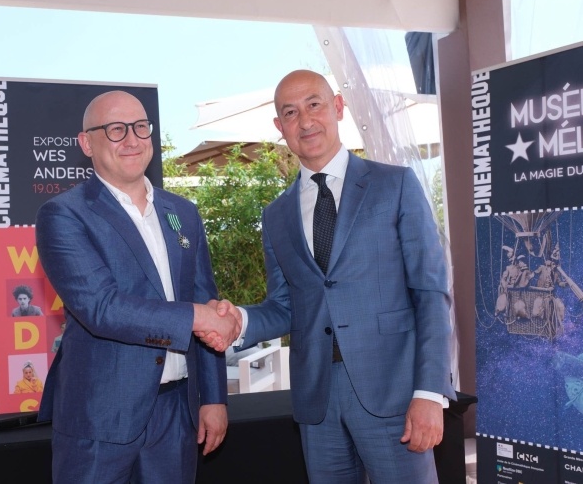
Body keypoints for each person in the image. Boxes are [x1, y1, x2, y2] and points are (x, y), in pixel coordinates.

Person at [225, 70, 455, 483]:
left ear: (337, 107)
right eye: (290, 113)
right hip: (317, 402)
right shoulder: (276, 216)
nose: (305, 121)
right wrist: (238, 320)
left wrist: (429, 392)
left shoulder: (395, 185)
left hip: (395, 394)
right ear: (280, 126)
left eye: (314, 104)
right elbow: (284, 307)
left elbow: (430, 292)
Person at [35, 90, 238, 484]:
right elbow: (102, 308)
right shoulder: (63, 215)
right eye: (116, 129)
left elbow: (205, 298)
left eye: (141, 127)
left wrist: (213, 398)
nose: (132, 139)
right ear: (86, 143)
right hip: (98, 418)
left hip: (176, 413)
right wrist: (199, 317)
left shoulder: (183, 213)